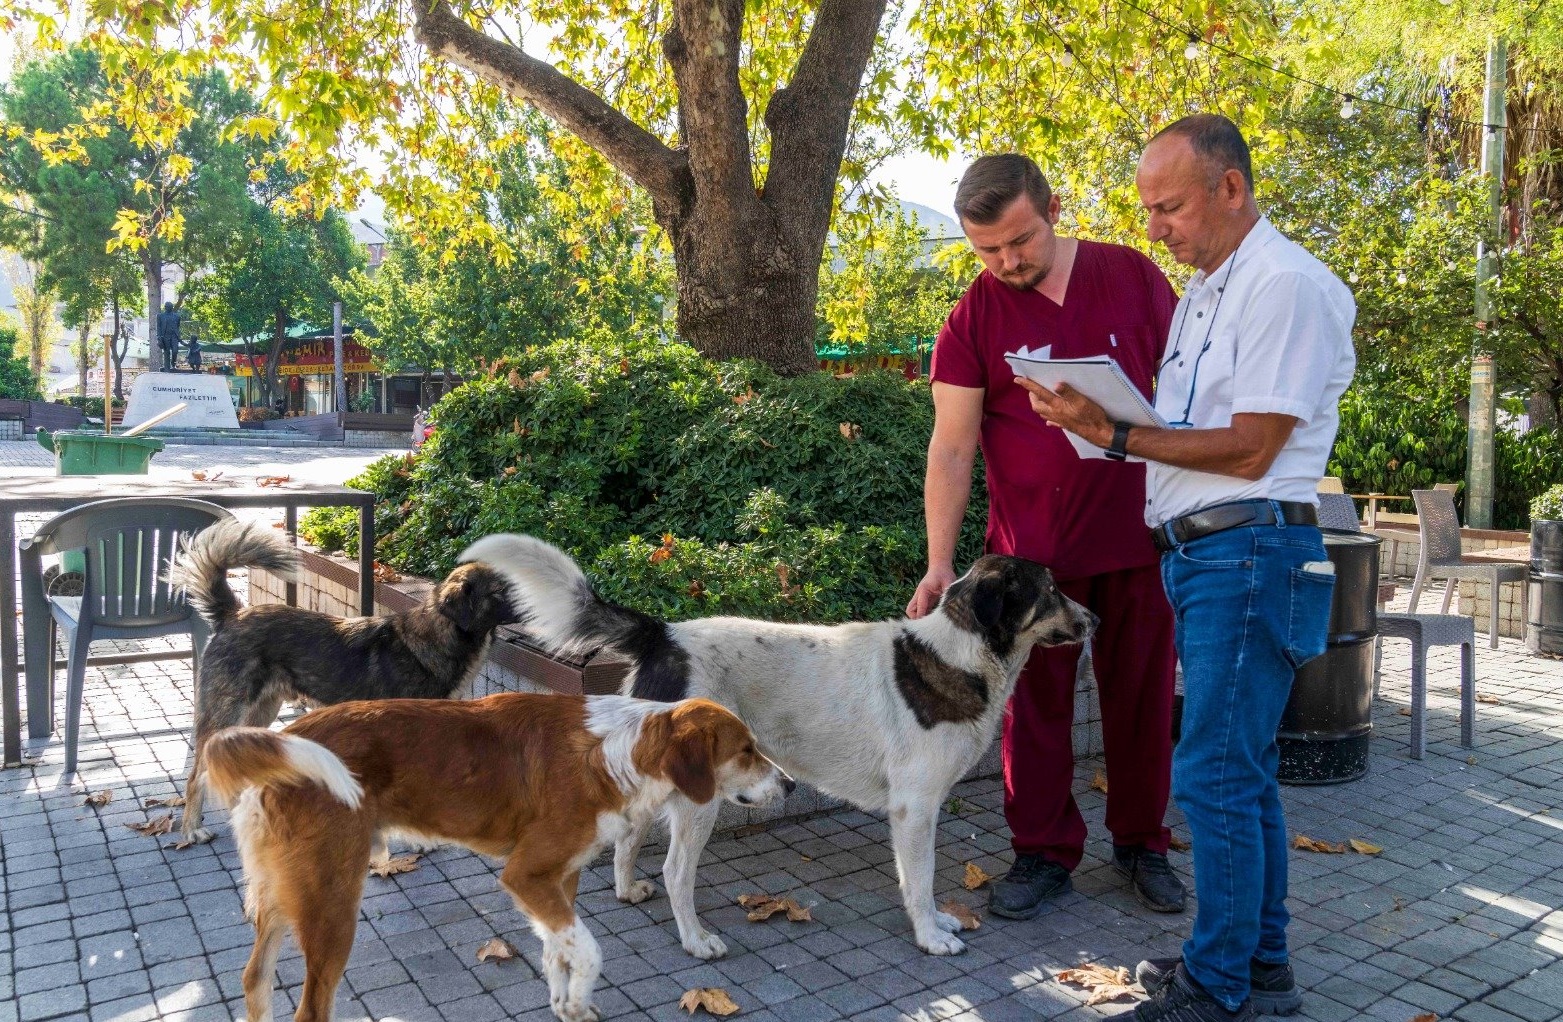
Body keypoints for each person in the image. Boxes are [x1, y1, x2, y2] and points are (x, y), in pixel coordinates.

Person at [1016, 114, 1356, 1021]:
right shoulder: (1209, 292)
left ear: (1230, 190)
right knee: (1235, 774)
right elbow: (1189, 435)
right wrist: (1107, 422)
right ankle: (1258, 969)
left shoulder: (1281, 285)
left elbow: (1250, 449)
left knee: (1208, 774)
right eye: (1147, 210)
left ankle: (1216, 988)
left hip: (1248, 549)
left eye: (1167, 207)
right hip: (1210, 554)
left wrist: (1114, 432)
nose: (1154, 227)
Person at [907, 154, 1186, 921]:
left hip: (1138, 538)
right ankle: (1040, 854)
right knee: (1031, 712)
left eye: (1019, 241)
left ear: (1052, 207)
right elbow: (951, 448)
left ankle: (1142, 845)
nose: (1006, 262)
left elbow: (1190, 390)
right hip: (1029, 566)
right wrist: (939, 563)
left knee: (1142, 702)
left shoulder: (1132, 276)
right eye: (987, 250)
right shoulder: (973, 316)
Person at [156, 302, 182, 373]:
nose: (167, 308)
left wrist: (178, 336)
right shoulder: (160, 316)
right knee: (166, 352)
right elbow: (158, 327)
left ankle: (173, 364)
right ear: (165, 307)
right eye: (166, 307)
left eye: (170, 307)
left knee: (175, 351)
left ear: (172, 307)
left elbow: (177, 326)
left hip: (174, 336)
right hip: (165, 336)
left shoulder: (177, 316)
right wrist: (159, 337)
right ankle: (167, 368)